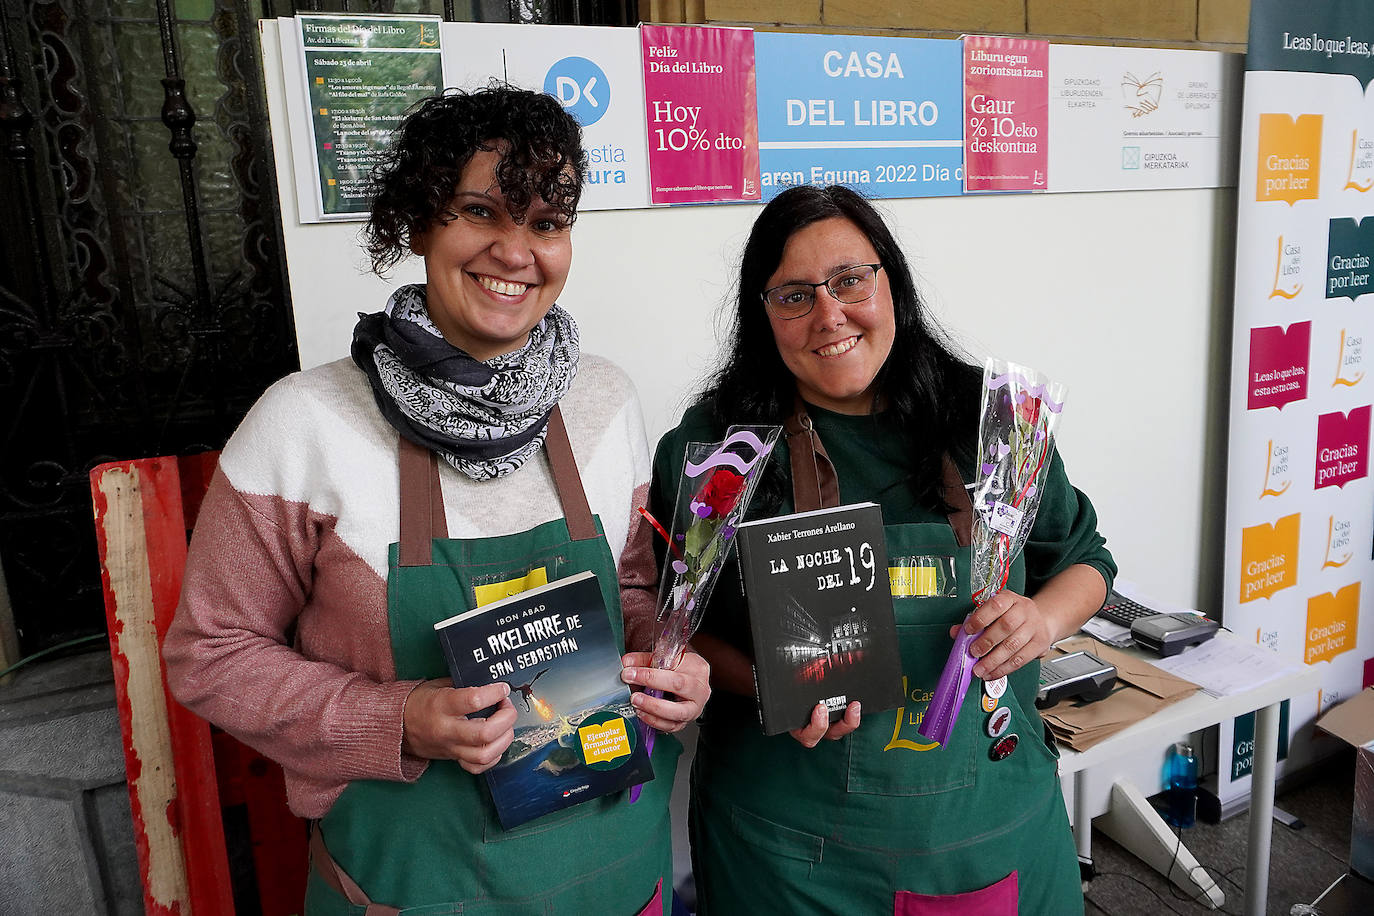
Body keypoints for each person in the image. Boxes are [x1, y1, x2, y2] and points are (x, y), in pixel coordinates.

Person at [163, 85, 709, 915]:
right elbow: (209, 651)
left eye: (546, 222)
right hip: (414, 889)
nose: (515, 250)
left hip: (618, 876)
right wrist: (396, 720)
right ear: (420, 223)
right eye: (481, 212)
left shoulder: (605, 401)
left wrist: (665, 661)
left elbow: (633, 590)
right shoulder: (304, 423)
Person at [642, 185, 1115, 914]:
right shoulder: (720, 451)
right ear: (760, 313)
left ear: (890, 279)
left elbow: (1085, 561)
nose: (829, 315)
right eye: (794, 295)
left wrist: (1043, 623)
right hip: (790, 851)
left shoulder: (994, 421)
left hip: (987, 829)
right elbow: (676, 626)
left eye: (850, 281)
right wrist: (771, 683)